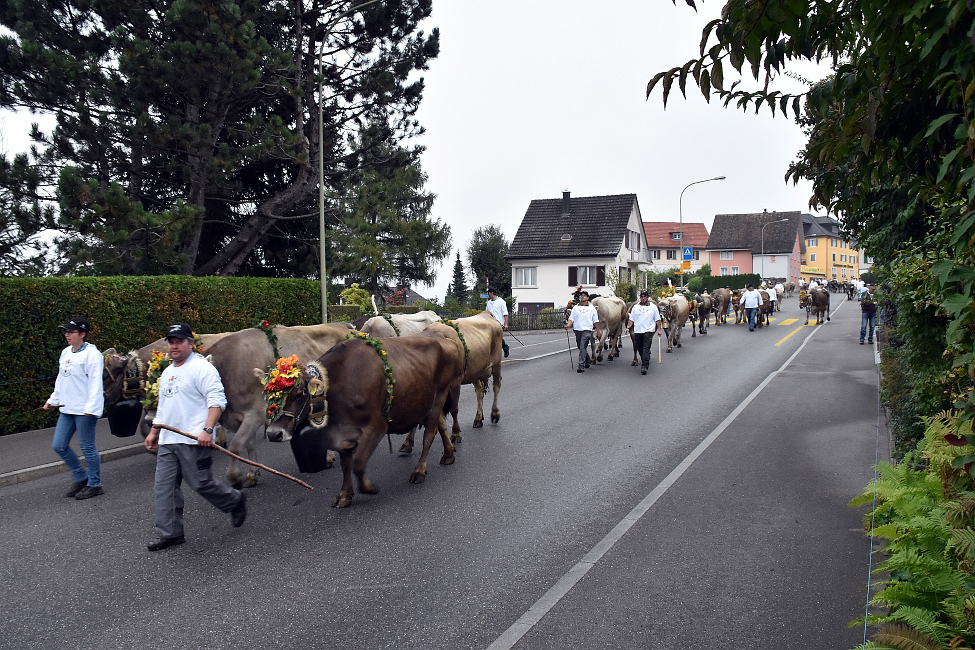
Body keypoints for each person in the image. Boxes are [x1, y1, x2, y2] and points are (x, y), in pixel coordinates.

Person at [144, 323, 247, 551]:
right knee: (164, 487)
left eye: (179, 341)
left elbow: (217, 401)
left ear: (191, 343)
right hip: (168, 440)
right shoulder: (169, 371)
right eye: (171, 341)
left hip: (194, 439)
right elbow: (164, 406)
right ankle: (170, 533)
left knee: (200, 483)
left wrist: (208, 430)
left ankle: (234, 500)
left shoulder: (202, 368)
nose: (174, 346)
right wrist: (154, 431)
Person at [42, 317, 105, 500]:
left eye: (71, 332)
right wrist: (53, 400)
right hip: (67, 408)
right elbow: (61, 380)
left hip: (85, 410)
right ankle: (80, 476)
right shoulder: (66, 352)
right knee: (59, 445)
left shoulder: (92, 355)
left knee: (87, 447)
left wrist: (92, 408)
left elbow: (95, 384)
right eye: (66, 332)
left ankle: (95, 484)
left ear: (82, 334)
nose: (67, 335)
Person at [623, 290, 663, 375]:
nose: (643, 298)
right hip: (638, 330)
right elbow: (631, 319)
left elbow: (658, 319)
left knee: (646, 347)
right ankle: (645, 358)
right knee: (639, 347)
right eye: (642, 296)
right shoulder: (635, 307)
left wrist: (659, 329)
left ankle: (644, 365)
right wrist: (628, 327)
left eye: (645, 296)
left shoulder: (653, 307)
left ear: (647, 297)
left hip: (648, 330)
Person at [564, 291, 601, 373]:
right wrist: (568, 325)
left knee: (582, 346)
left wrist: (598, 331)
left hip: (587, 330)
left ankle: (581, 365)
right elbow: (571, 318)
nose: (582, 297)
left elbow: (596, 321)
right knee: (580, 347)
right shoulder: (575, 308)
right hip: (577, 330)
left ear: (587, 298)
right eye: (581, 296)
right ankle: (588, 360)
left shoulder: (592, 308)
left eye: (584, 296)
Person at [486, 288, 510, 358]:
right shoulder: (489, 303)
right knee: (492, 338)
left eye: (488, 293)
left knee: (497, 338)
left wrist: (506, 324)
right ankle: (493, 354)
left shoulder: (501, 301)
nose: (488, 294)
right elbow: (486, 313)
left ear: (492, 293)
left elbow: (505, 313)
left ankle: (505, 348)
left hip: (499, 323)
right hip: (490, 323)